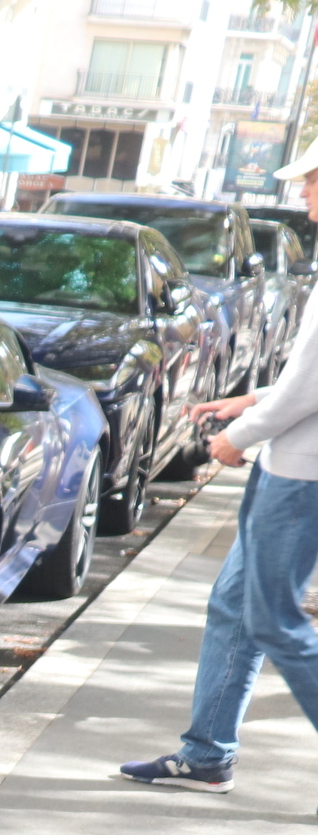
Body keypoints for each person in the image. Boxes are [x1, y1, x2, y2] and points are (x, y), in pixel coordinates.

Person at [117, 167, 318, 795]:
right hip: (290, 465)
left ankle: (207, 752)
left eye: (312, 181)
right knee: (237, 608)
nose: (303, 197)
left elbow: (311, 386)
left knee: (274, 619)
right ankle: (206, 755)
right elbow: (303, 381)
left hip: (302, 475)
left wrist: (241, 434)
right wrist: (255, 402)